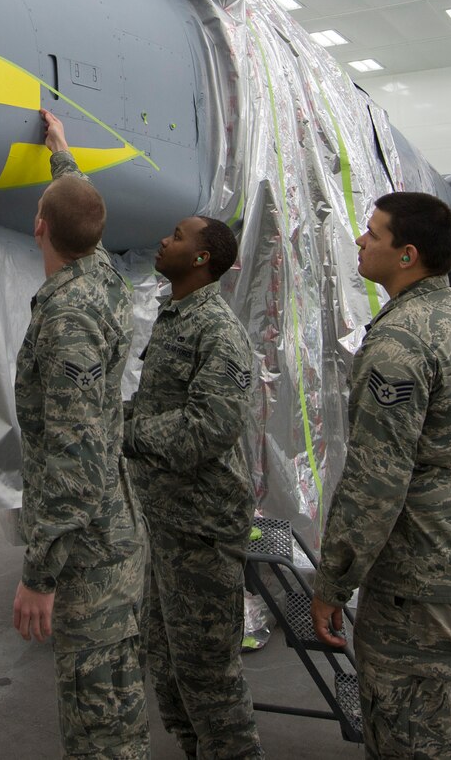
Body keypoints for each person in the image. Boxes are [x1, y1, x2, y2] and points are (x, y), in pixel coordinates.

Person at [309, 192, 451, 759]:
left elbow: (375, 483)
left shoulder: (399, 341)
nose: (360, 241)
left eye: (373, 234)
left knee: (419, 743)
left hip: (431, 595)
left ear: (406, 255)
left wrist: (334, 583)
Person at [12, 107, 149, 759]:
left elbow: (73, 457)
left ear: (39, 226)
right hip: (110, 533)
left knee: (100, 721)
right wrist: (61, 153)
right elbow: (80, 211)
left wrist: (39, 574)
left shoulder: (68, 318)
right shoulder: (102, 275)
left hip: (90, 551)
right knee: (111, 703)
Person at [124, 214, 262, 759]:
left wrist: (122, 432)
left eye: (177, 236)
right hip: (167, 524)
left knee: (209, 678)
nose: (163, 239)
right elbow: (160, 408)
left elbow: (204, 431)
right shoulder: (175, 316)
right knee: (167, 666)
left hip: (201, 531)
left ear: (202, 259)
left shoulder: (218, 332)